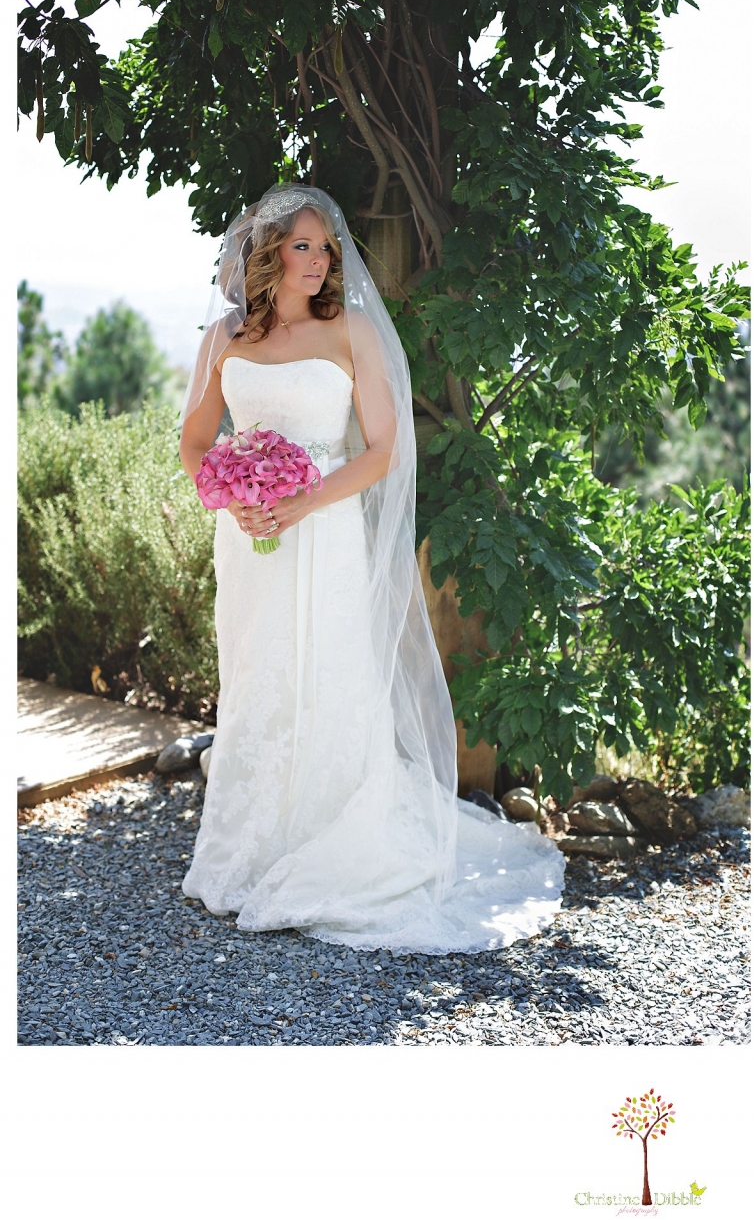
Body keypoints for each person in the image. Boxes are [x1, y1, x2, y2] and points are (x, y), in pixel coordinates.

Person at [179, 183, 564, 953]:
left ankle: (334, 842)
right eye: (303, 246)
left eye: (326, 248)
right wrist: (232, 497)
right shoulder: (225, 337)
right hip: (251, 539)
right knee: (259, 676)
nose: (319, 261)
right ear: (267, 252)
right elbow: (194, 444)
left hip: (324, 533)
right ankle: (250, 848)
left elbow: (384, 450)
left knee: (330, 674)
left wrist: (302, 501)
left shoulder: (351, 329)